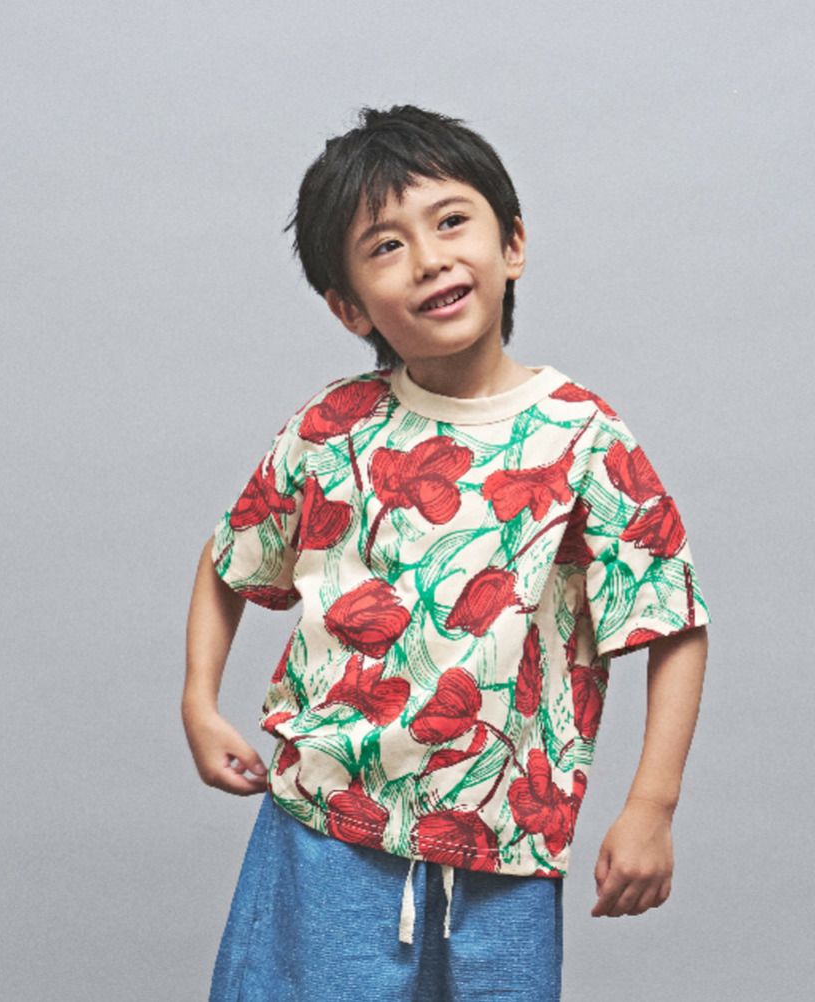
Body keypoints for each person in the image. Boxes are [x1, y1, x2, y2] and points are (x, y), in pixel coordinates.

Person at [183, 104, 711, 1002]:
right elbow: (233, 552)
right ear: (349, 306)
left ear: (513, 244)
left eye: (452, 221)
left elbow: (672, 617)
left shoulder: (582, 439)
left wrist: (651, 806)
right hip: (323, 826)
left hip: (503, 844)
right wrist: (199, 700)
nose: (429, 259)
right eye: (386, 246)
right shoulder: (332, 429)